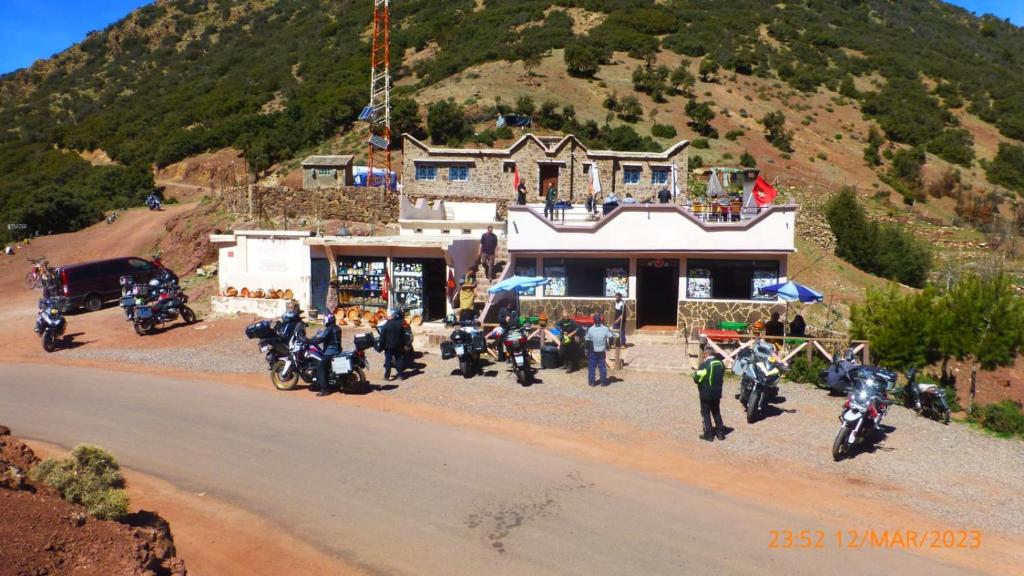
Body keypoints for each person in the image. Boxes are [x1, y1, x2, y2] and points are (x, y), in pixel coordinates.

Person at [693, 351, 727, 441]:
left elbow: (696, 378)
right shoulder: (720, 363)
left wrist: (694, 374)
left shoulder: (705, 365)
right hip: (717, 392)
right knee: (716, 412)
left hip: (706, 393)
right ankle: (720, 434)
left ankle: (708, 435)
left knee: (705, 413)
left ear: (706, 354)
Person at [309, 314, 342, 396]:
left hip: (330, 352)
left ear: (328, 320)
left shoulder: (329, 329)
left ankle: (324, 389)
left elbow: (322, 338)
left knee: (321, 366)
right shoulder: (337, 328)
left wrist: (312, 342)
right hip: (337, 350)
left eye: (325, 319)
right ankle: (319, 383)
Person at [584, 313, 613, 386]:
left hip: (593, 350)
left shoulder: (590, 329)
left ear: (593, 321)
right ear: (600, 320)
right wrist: (609, 345)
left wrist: (586, 350)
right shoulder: (605, 329)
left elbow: (587, 341)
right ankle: (603, 381)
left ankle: (592, 382)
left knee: (592, 367)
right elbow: (611, 337)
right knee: (602, 366)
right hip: (602, 351)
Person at [379, 309, 407, 381]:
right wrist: (403, 345)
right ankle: (400, 375)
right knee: (399, 360)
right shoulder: (400, 324)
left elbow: (382, 338)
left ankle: (386, 376)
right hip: (398, 346)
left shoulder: (385, 325)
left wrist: (380, 348)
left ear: (391, 316)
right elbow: (404, 336)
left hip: (388, 347)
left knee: (388, 361)